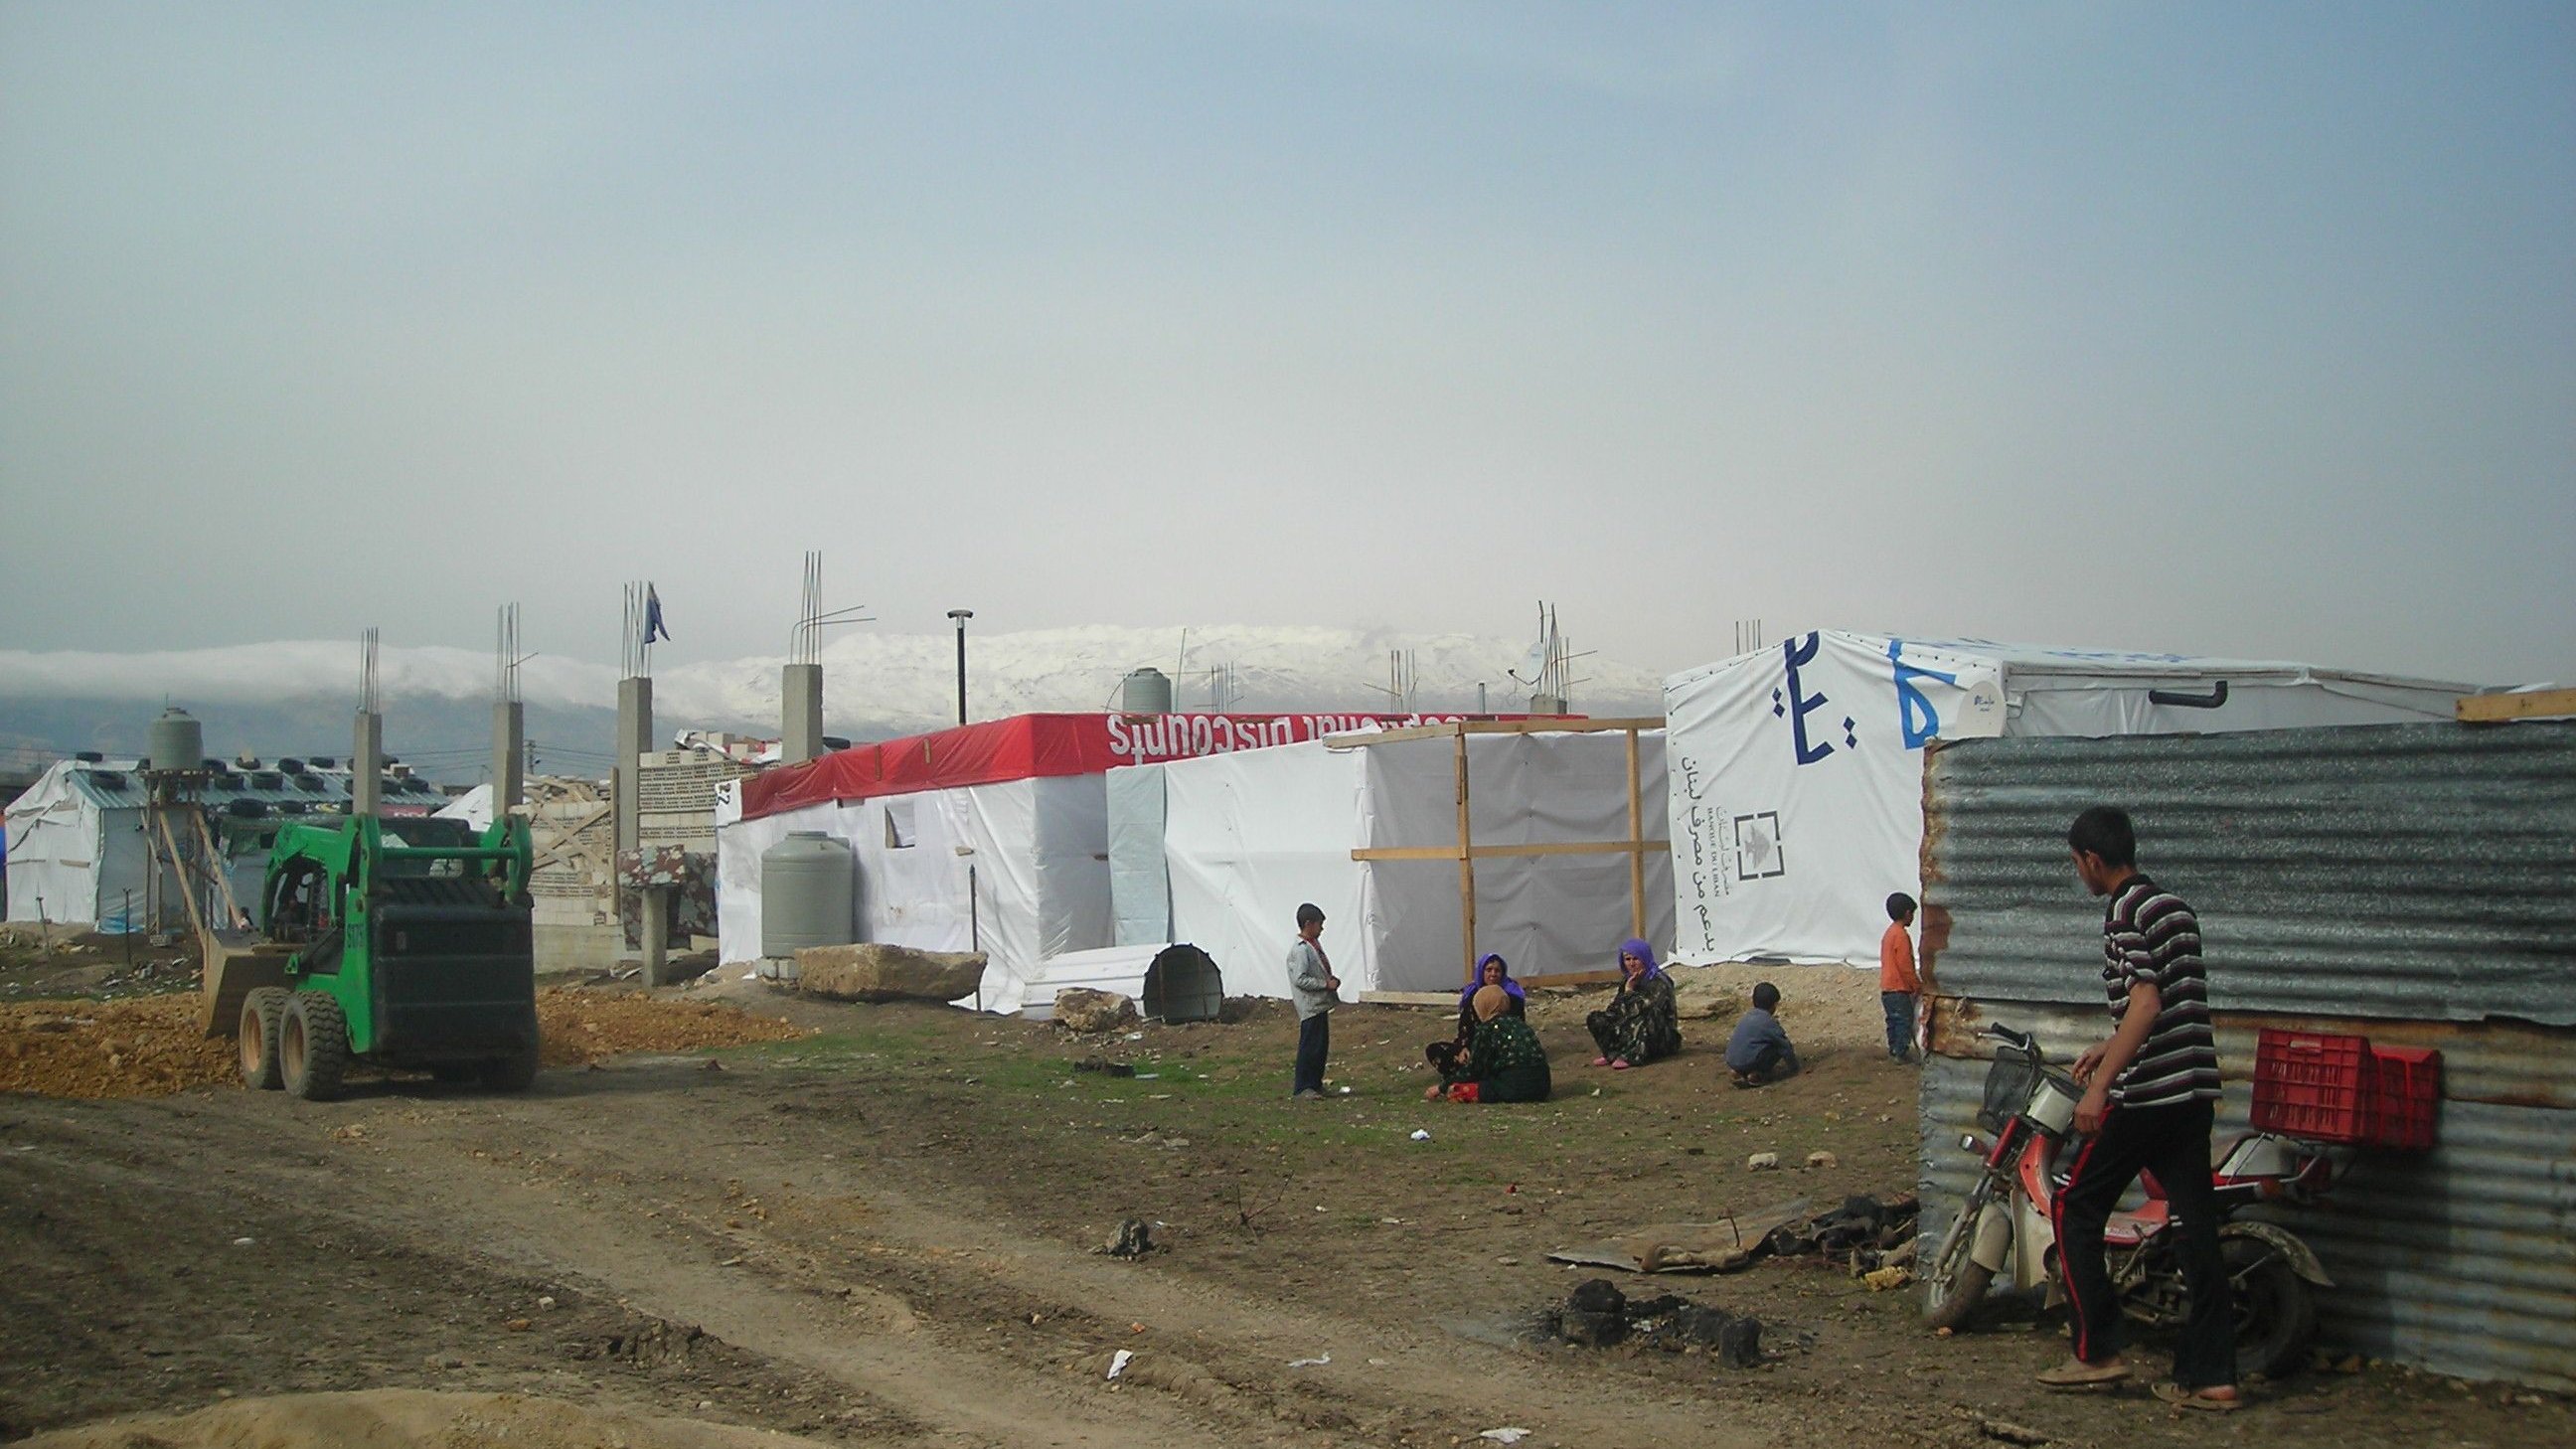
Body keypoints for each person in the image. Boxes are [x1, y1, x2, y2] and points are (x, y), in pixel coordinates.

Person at [2037, 806, 2236, 1411]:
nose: (2080, 876)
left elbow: (2147, 1002)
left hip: (2148, 1095)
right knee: (2196, 1228)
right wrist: (2109, 1041)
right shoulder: (2174, 906)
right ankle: (2213, 1376)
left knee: (2074, 1207)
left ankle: (2097, 1352)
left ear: (2094, 861)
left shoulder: (2123, 911)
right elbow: (2167, 1002)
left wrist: (2101, 1087)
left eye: (2078, 865)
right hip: (2194, 1090)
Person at [1423, 984, 1552, 1103]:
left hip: (1514, 1087)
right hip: (1543, 1087)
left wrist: (1441, 1088)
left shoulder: (1488, 1029)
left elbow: (1473, 1069)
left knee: (1458, 1091)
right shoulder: (1520, 1024)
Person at [1427, 953, 1526, 1081]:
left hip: (1499, 1049)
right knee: (1434, 1050)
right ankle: (1472, 1074)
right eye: (1489, 970)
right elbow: (1465, 1027)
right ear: (1481, 972)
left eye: (1497, 970)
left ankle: (1466, 1076)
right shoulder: (1472, 995)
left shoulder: (1512, 997)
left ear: (1503, 973)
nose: (1493, 974)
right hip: (1472, 1047)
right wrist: (1463, 1048)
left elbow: (1517, 1028)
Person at [1584, 938, 1680, 1069]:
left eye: (1636, 959)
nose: (1632, 964)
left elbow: (1648, 1008)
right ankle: (1612, 1053)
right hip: (1634, 1033)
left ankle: (1633, 1056)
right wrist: (1625, 992)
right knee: (1596, 1018)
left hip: (1661, 1037)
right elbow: (1616, 1009)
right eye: (1627, 959)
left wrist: (1629, 992)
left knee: (1644, 1014)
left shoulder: (1659, 982)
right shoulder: (1628, 980)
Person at [1285, 902, 1340, 1100]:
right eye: (1319, 924)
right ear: (1308, 924)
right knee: (1310, 1046)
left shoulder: (1312, 946)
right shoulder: (1300, 950)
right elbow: (1300, 978)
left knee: (1320, 1047)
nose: (1322, 929)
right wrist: (1325, 984)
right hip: (1310, 1006)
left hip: (1319, 1005)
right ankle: (1303, 1086)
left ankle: (1315, 1083)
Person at [1725, 982, 1800, 1086]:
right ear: (1774, 1005)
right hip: (1750, 1062)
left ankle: (1737, 1072)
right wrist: (1794, 1068)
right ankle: (1756, 1075)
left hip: (1732, 1060)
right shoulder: (1768, 1022)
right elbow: (1785, 1046)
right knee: (1777, 1046)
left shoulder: (1746, 1017)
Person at [1881, 892, 1922, 1062]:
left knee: (1893, 1021)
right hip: (1899, 988)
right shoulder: (1901, 936)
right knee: (1904, 1021)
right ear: (1907, 913)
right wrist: (1916, 985)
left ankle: (1893, 1049)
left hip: (1887, 987)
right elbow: (1905, 965)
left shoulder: (1889, 933)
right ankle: (1900, 1052)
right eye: (1912, 913)